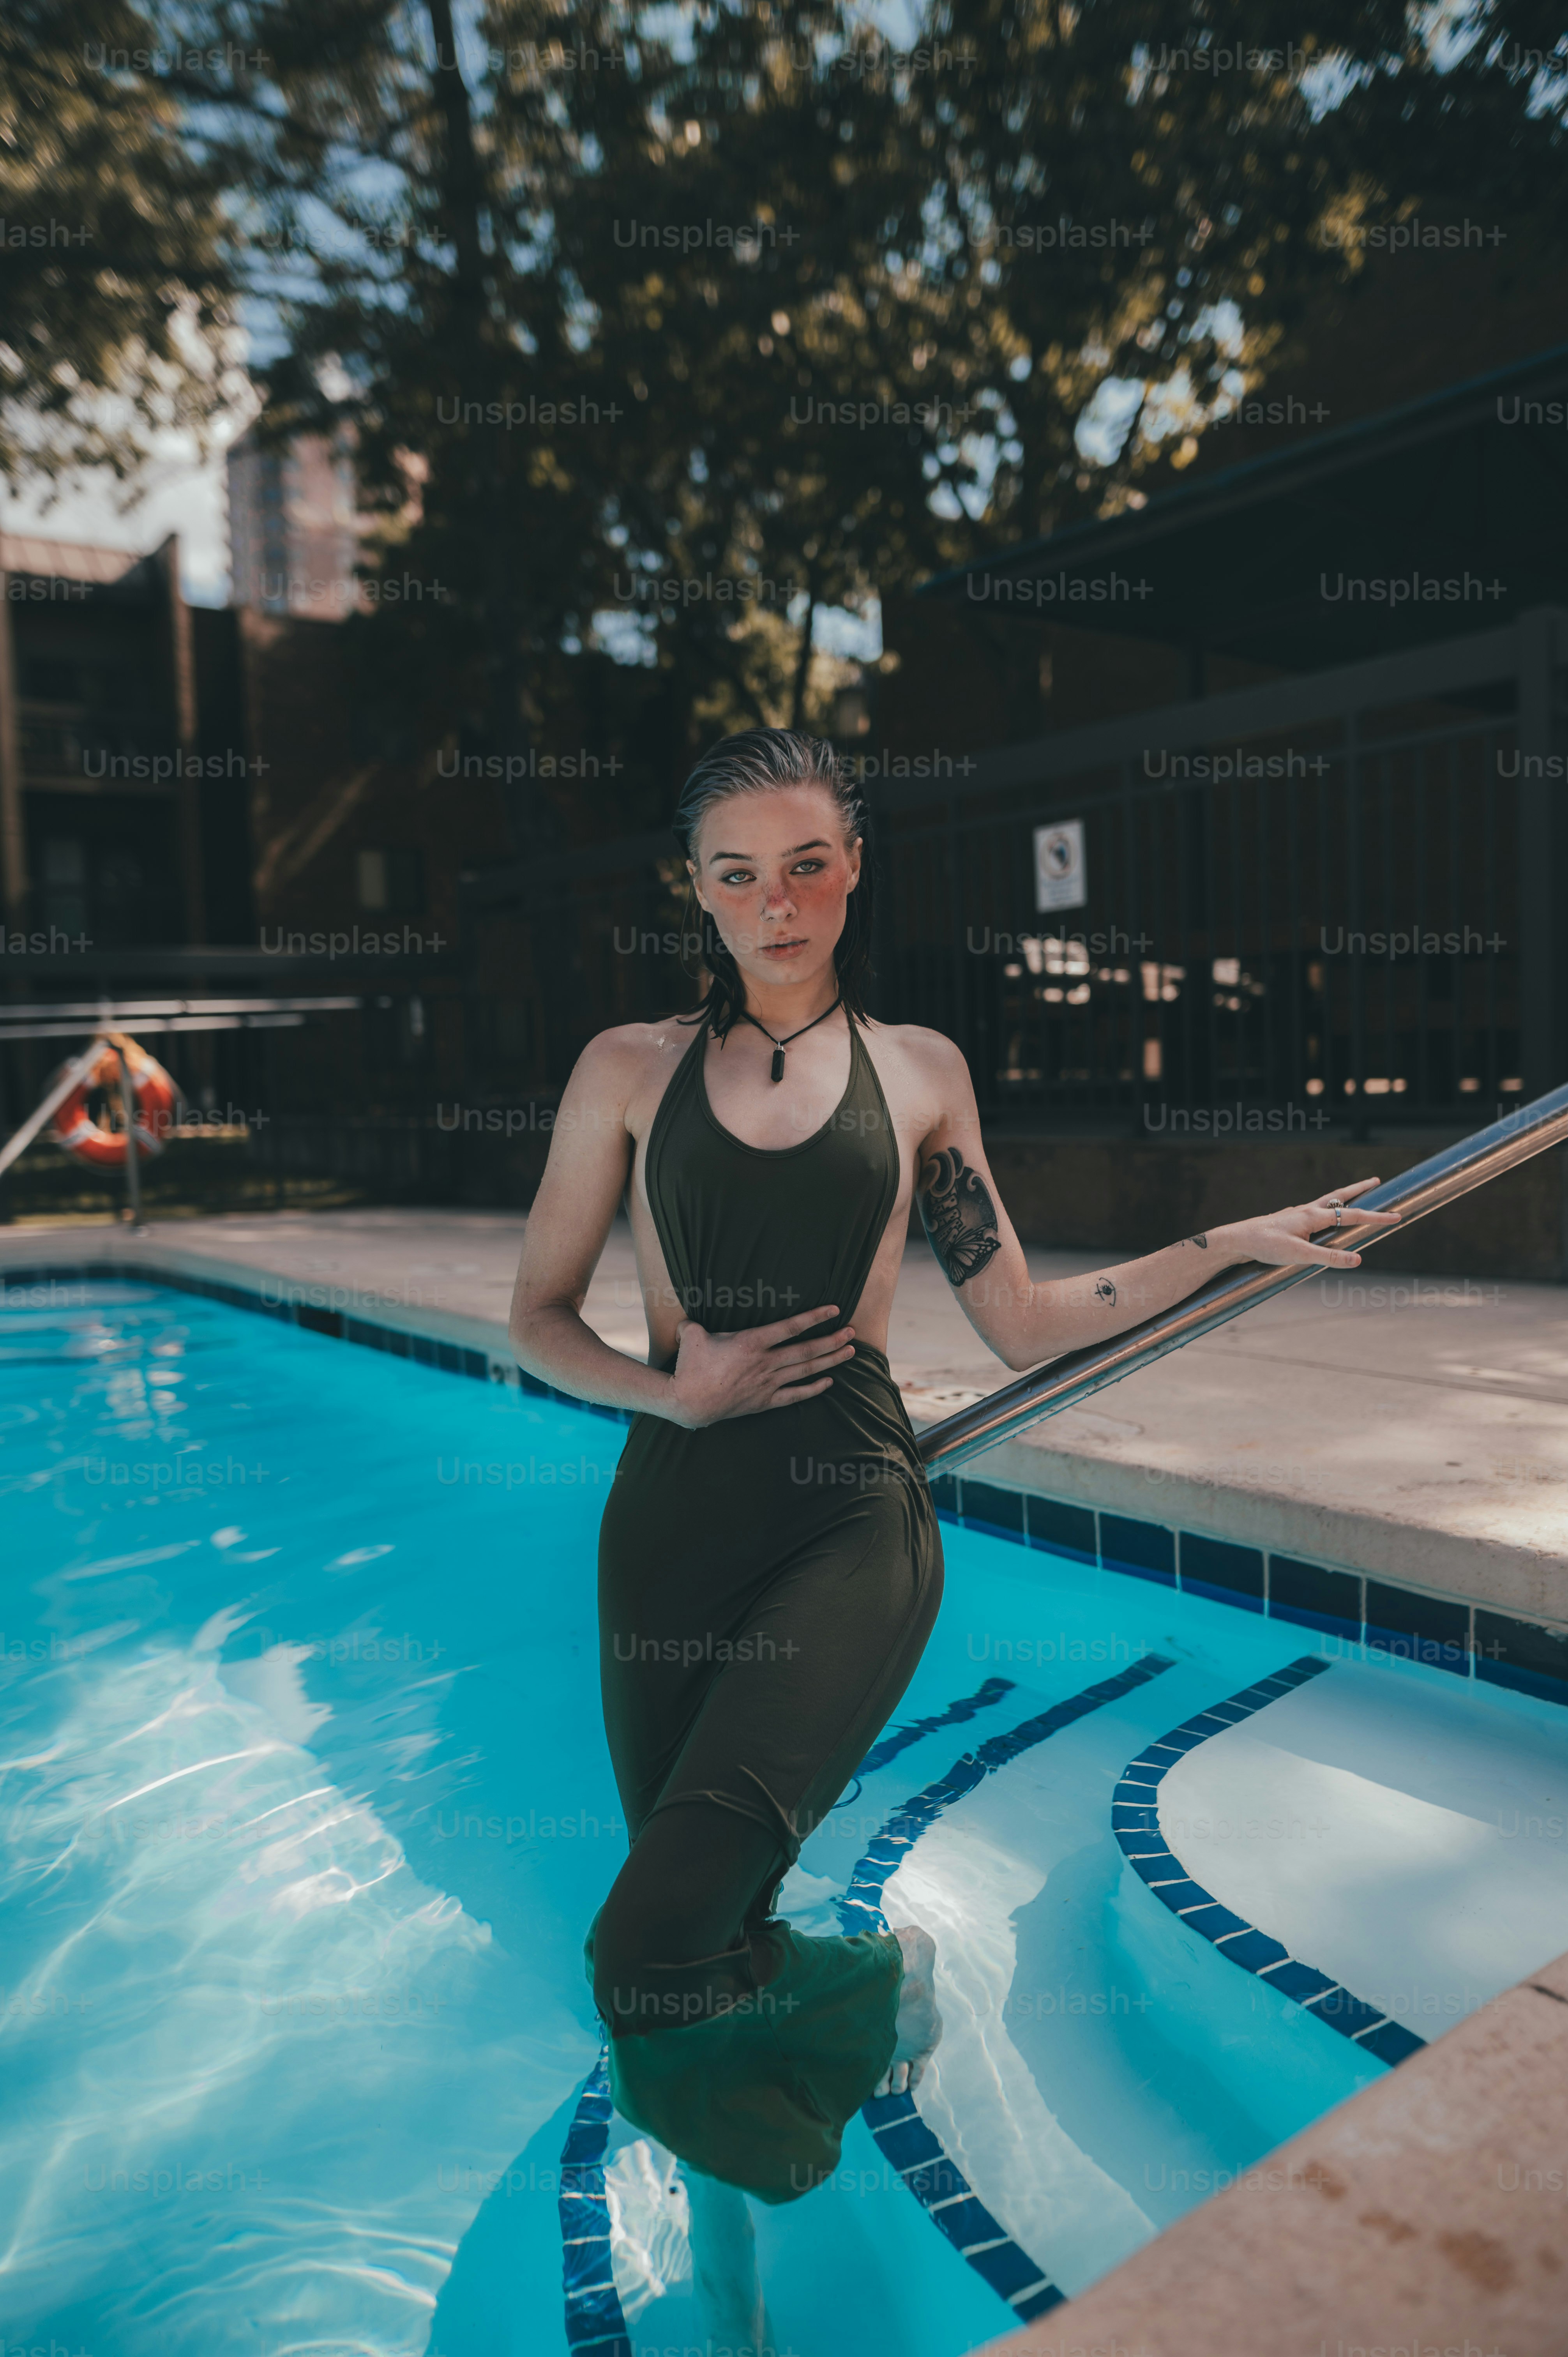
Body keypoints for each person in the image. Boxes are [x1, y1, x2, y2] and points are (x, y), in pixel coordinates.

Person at [508, 726, 1399, 2357]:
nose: (773, 904)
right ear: (692, 894)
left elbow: (1020, 1320)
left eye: (804, 865)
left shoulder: (918, 1073)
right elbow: (533, 1322)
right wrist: (676, 1387)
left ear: (850, 868)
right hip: (667, 1537)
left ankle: (873, 2004)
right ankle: (735, 2308)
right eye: (734, 874)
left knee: (644, 1943)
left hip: (850, 1523)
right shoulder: (621, 1072)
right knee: (698, 1942)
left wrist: (1225, 1241)